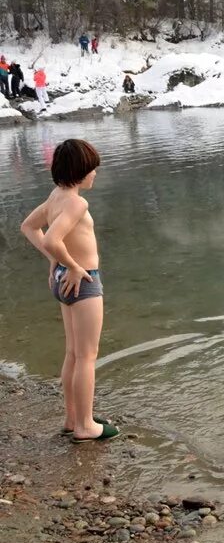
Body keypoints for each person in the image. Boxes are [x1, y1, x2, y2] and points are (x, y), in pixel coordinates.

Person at [20, 139, 120, 443]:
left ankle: (72, 418)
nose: (95, 174)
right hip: (82, 280)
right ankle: (85, 426)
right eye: (92, 169)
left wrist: (57, 262)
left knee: (74, 353)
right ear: (80, 170)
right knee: (88, 356)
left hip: (64, 280)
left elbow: (28, 226)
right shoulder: (77, 202)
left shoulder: (56, 196)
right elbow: (51, 239)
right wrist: (73, 266)